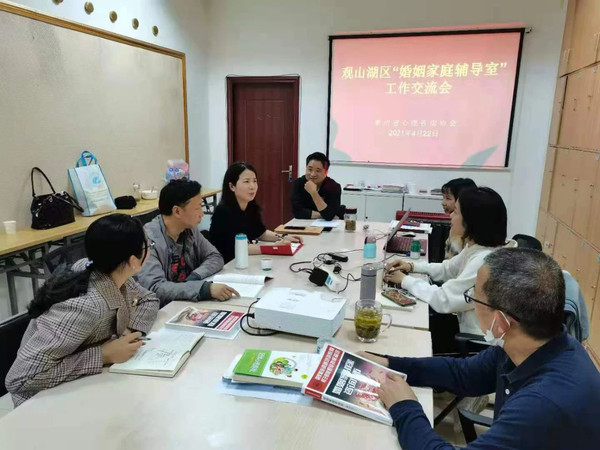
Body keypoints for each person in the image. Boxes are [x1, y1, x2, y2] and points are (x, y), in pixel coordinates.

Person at [361, 248, 600, 449]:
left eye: (474, 297)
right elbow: (462, 373)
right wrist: (390, 364)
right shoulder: (534, 344)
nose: (472, 303)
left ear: (501, 321)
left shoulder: (542, 405)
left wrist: (404, 406)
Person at [6, 214, 160, 407]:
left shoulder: (109, 271)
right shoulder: (85, 307)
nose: (150, 250)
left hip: (84, 385)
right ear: (133, 261)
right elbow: (20, 379)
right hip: (44, 403)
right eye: (147, 246)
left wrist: (129, 333)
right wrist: (103, 355)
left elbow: (148, 299)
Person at [384, 187, 515, 337]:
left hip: (473, 338)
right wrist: (412, 266)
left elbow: (443, 300)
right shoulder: (477, 247)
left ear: (471, 221)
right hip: (460, 320)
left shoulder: (484, 261)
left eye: (456, 212)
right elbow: (448, 269)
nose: (451, 215)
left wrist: (405, 280)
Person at [137, 179, 238, 306]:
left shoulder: (189, 229)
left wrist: (194, 277)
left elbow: (215, 257)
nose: (201, 213)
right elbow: (155, 288)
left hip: (186, 302)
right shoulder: (148, 240)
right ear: (177, 211)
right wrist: (203, 289)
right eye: (197, 208)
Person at [210, 162, 302, 263]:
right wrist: (274, 247)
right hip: (225, 264)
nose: (252, 186)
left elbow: (261, 232)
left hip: (244, 260)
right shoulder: (223, 212)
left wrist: (283, 237)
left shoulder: (250, 206)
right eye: (246, 181)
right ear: (232, 186)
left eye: (254, 181)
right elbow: (238, 248)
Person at [291, 152, 342, 220]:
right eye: (310, 169)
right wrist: (321, 215)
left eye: (318, 171)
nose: (313, 174)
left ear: (325, 172)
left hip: (326, 224)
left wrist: (314, 193)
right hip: (302, 223)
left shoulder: (334, 187)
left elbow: (329, 215)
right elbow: (297, 212)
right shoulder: (298, 184)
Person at [440, 178, 477, 259]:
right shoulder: (456, 225)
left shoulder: (466, 234)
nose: (443, 203)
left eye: (448, 198)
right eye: (443, 198)